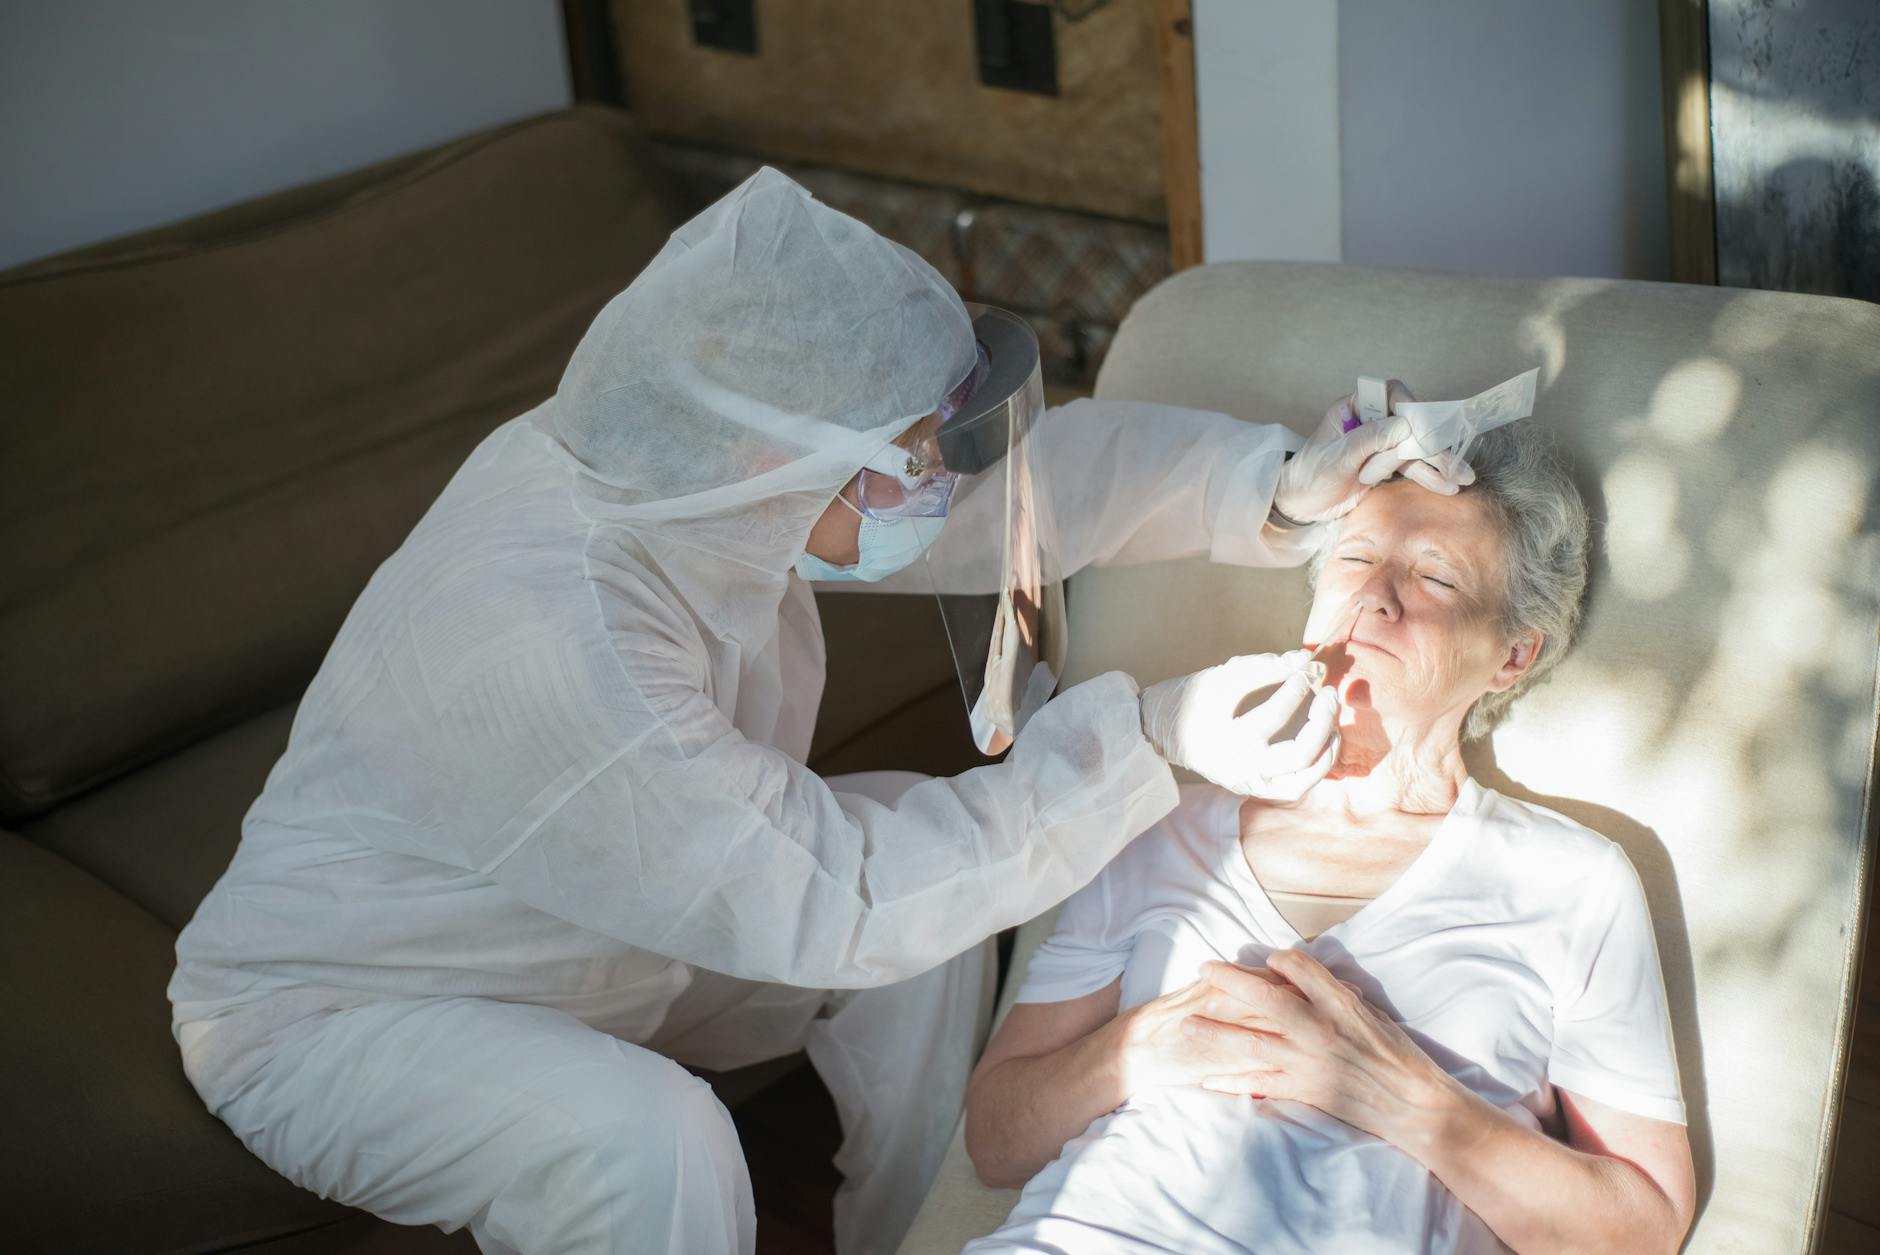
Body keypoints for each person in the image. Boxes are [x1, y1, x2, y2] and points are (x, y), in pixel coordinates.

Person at [166, 168, 1464, 1255]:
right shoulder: (558, 643)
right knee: (648, 1141)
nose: (938, 479)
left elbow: (1006, 496)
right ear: (773, 459)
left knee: (934, 932)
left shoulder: (688, 471)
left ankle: (914, 1235)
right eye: (917, 454)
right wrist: (1152, 735)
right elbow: (846, 898)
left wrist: (1268, 483)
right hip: (349, 1014)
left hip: (609, 930)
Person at [963, 424, 1697, 1254]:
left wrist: (1392, 1092)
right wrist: (1136, 1048)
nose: (1376, 595)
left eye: (1436, 576)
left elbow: (1643, 1227)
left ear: (1512, 655)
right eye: (1354, 558)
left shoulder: (1572, 880)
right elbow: (993, 1138)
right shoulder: (1156, 822)